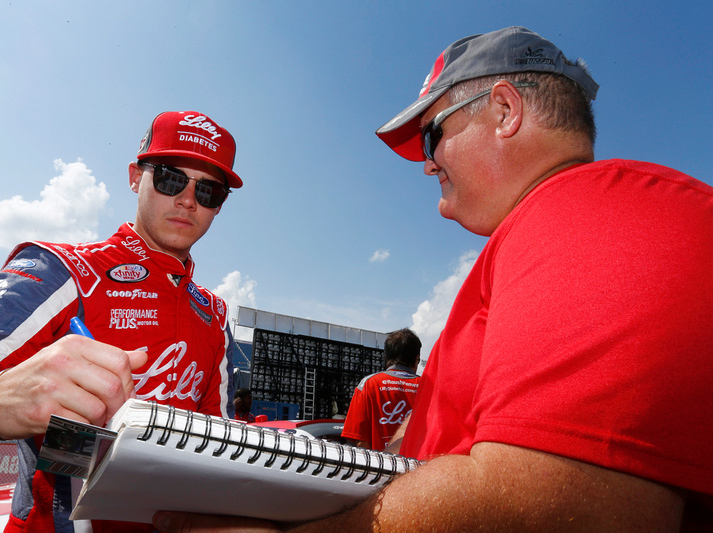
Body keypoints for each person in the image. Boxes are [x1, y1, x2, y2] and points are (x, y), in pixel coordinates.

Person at [151, 27, 713, 532]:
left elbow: (563, 501)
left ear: (504, 110)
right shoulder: (555, 229)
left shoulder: (584, 212)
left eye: (432, 135)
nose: (427, 163)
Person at [0, 110, 244, 532]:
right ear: (134, 177)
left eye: (209, 191)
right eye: (170, 178)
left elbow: (218, 442)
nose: (188, 199)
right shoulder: (63, 271)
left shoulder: (214, 313)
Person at [341, 328, 421, 450]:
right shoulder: (428, 387)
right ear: (417, 358)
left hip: (380, 466)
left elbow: (360, 441)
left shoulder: (369, 384)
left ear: (386, 357)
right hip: (419, 467)